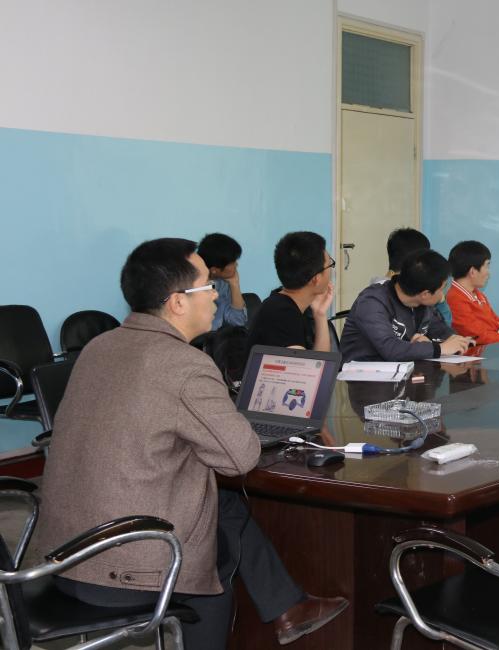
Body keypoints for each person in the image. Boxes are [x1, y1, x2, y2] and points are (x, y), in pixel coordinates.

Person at [34, 238, 347, 649]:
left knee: (227, 505)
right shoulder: (186, 364)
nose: (216, 296)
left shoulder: (99, 346)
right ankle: (275, 611)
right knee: (213, 568)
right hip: (123, 565)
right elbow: (240, 458)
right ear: (178, 302)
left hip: (62, 555)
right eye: (208, 287)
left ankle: (287, 606)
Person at [340, 248, 473, 362]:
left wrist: (455, 340)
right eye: (442, 289)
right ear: (425, 294)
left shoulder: (421, 302)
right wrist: (440, 348)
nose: (443, 294)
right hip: (362, 376)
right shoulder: (372, 302)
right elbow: (390, 349)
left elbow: (438, 328)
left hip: (402, 372)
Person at [246, 231, 335, 355]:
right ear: (316, 279)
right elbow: (304, 367)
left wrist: (320, 314)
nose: (332, 270)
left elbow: (319, 363)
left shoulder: (284, 304)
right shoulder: (282, 314)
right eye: (330, 264)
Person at [446, 240, 499, 345]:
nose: (488, 273)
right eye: (487, 266)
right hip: (478, 352)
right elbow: (478, 335)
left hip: (495, 346)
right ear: (472, 271)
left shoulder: (479, 295)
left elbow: (498, 325)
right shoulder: (454, 299)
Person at [373, 227, 452, 323]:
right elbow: (444, 324)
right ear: (415, 259)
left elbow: (441, 329)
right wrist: (441, 302)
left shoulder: (379, 287)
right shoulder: (406, 294)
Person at [197, 232, 248, 330]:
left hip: (215, 338)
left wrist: (235, 284)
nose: (236, 265)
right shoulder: (191, 286)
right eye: (232, 262)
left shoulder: (223, 283)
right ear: (214, 270)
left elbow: (238, 322)